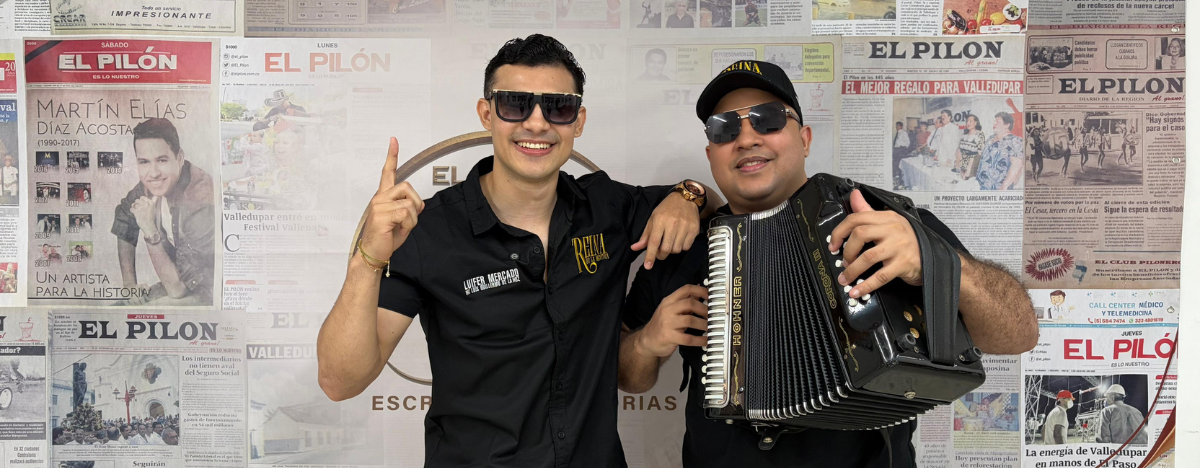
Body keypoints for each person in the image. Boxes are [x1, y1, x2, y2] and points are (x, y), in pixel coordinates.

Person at [316, 34, 719, 467]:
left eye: (558, 107)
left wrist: (688, 195)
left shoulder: (608, 208)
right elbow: (340, 382)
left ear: (578, 121)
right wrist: (367, 260)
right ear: (487, 113)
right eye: (515, 104)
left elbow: (707, 202)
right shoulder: (428, 230)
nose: (537, 123)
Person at [617, 60, 1038, 467]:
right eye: (725, 128)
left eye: (768, 119)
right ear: (711, 154)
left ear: (805, 139)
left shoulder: (885, 222)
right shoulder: (684, 244)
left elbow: (1019, 333)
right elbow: (628, 375)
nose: (746, 138)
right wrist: (647, 342)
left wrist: (934, 262)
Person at [112, 118, 216, 306]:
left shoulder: (199, 202)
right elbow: (125, 218)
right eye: (144, 162)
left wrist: (149, 230)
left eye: (161, 160)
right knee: (120, 307)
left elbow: (177, 289)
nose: (153, 173)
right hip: (177, 283)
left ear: (179, 158)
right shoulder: (154, 185)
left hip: (209, 293)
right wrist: (129, 284)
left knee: (145, 312)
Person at [977, 112, 1024, 190]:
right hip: (981, 186)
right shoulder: (990, 138)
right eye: (994, 121)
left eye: (997, 121)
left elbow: (1017, 165)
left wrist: (1004, 186)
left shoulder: (1014, 140)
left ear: (1007, 125)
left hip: (998, 189)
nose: (994, 123)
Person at [956, 114, 984, 180]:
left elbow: (979, 154)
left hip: (971, 168)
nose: (968, 123)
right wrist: (957, 166)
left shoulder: (979, 134)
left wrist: (968, 172)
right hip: (961, 167)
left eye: (970, 121)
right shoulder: (964, 135)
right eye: (967, 121)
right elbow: (959, 151)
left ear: (975, 123)